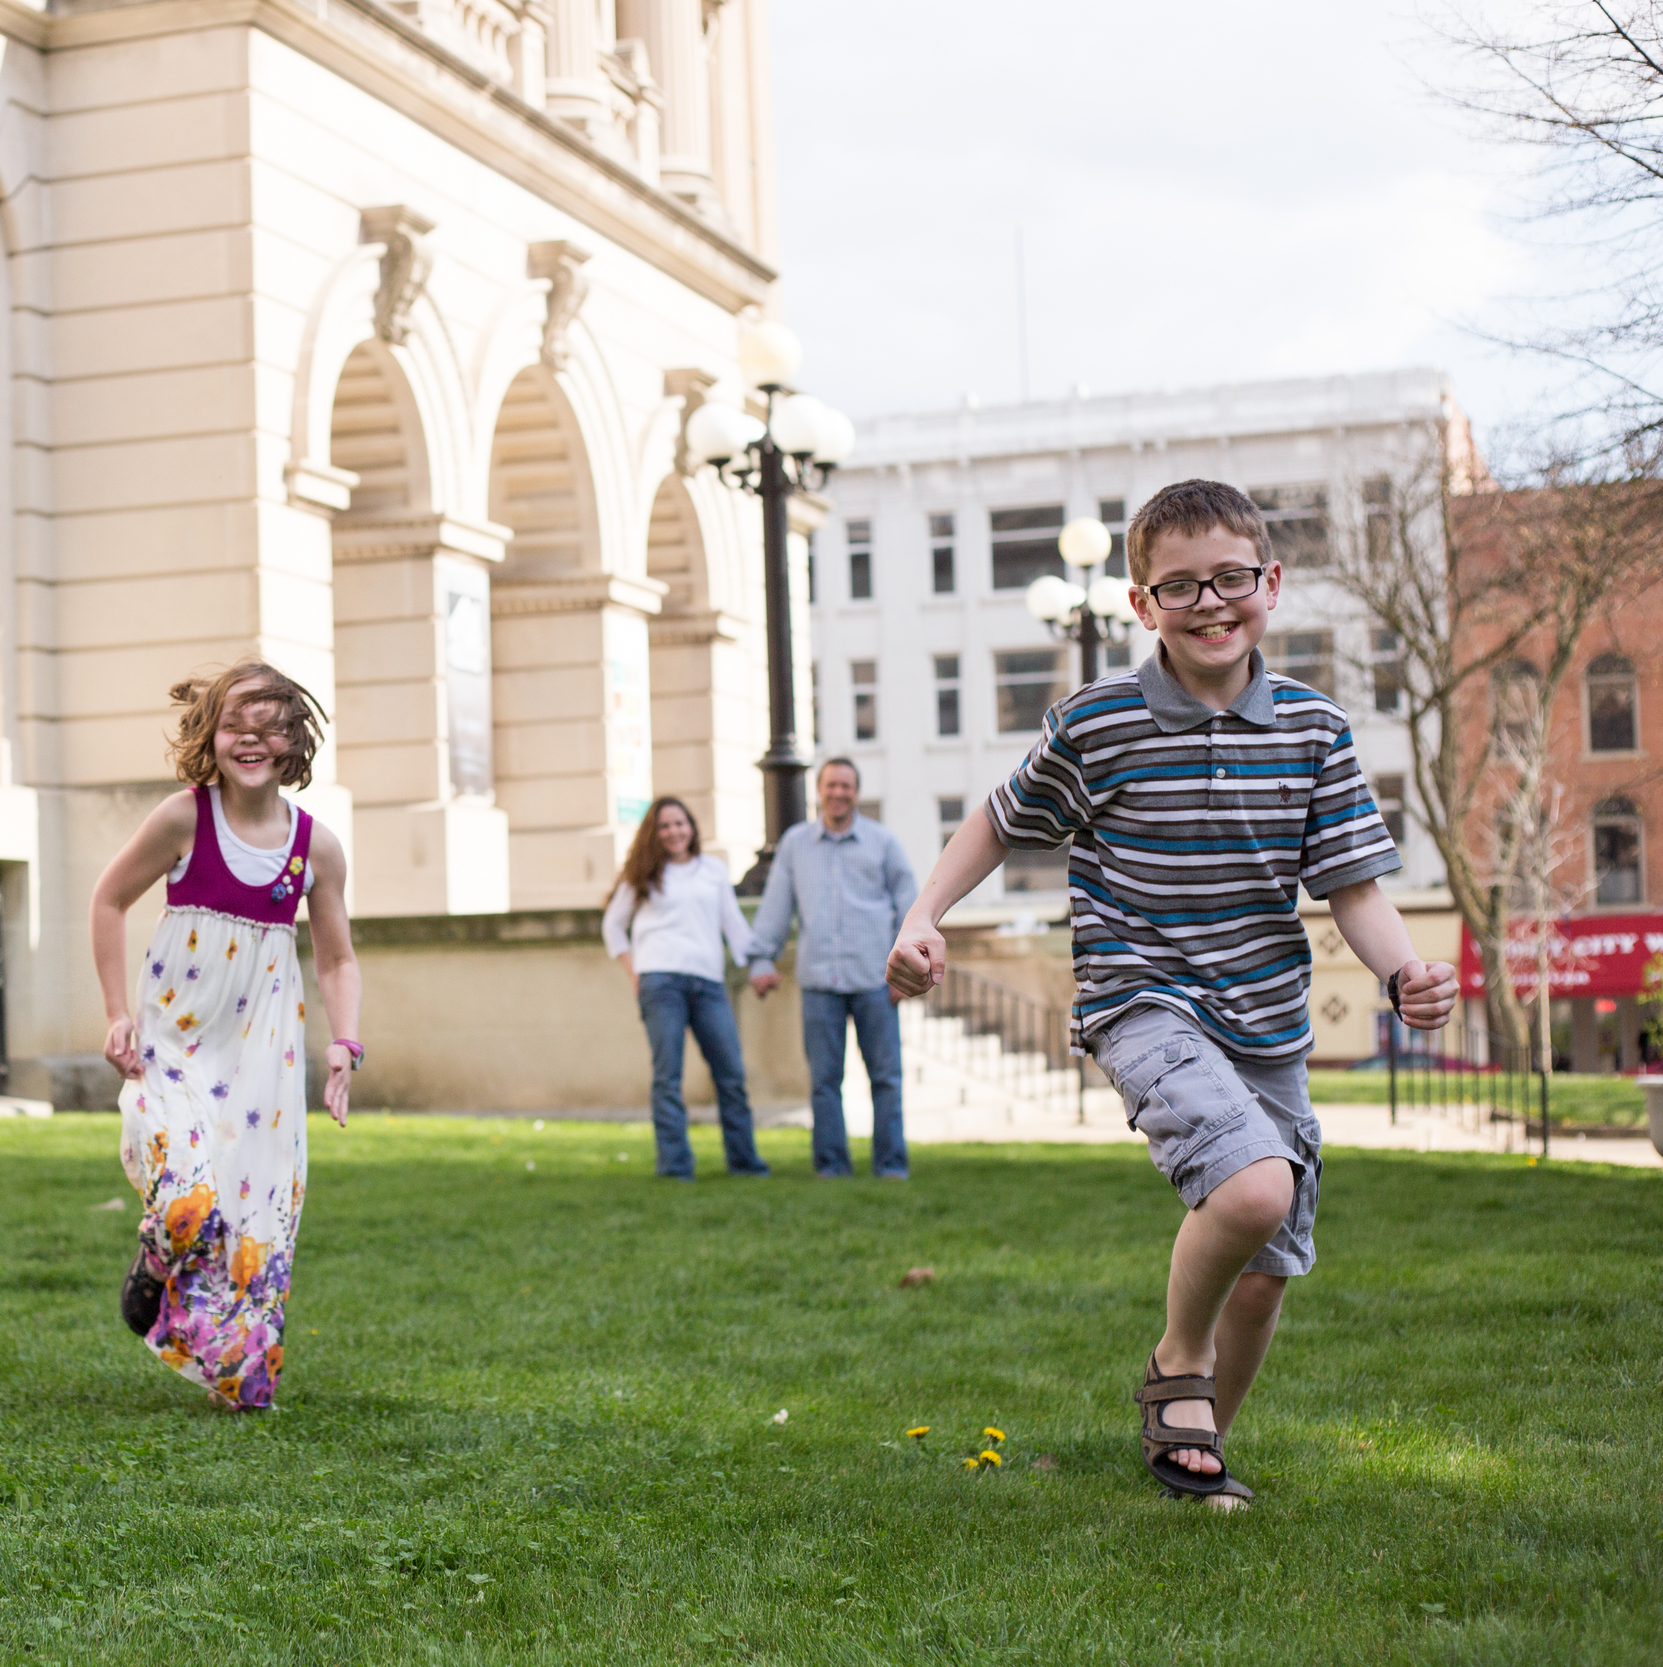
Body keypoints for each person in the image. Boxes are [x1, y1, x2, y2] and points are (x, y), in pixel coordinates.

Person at [886, 479, 1456, 1505]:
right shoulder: (1097, 720)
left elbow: (1351, 886)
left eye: (1228, 577)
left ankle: (1195, 1447)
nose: (1207, 602)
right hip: (1139, 997)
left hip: (1266, 1021)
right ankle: (1174, 1362)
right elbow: (998, 820)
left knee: (1269, 1262)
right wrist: (921, 915)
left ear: (1268, 584)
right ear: (1143, 604)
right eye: (1178, 585)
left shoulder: (1312, 728)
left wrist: (1402, 969)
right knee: (1252, 1187)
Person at [90, 662, 361, 1410]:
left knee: (255, 1207)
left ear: (293, 741)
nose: (251, 738)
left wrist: (345, 1041)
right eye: (236, 722)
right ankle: (156, 1257)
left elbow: (337, 959)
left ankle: (229, 1364)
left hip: (261, 1060)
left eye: (270, 723)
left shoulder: (316, 847)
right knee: (189, 1200)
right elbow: (109, 900)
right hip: (177, 1042)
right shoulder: (185, 817)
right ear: (211, 734)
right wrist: (118, 1012)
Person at [745, 759, 919, 1179]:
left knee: (886, 1078)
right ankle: (831, 1167)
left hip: (876, 980)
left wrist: (908, 972)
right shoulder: (795, 844)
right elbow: (776, 907)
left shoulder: (883, 843)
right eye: (831, 785)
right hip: (819, 981)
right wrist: (761, 958)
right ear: (818, 791)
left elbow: (911, 908)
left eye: (846, 786)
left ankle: (891, 1166)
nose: (838, 793)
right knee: (824, 1081)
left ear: (856, 793)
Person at [602, 797, 769, 1180]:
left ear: (692, 828)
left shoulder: (712, 870)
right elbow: (613, 925)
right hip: (660, 983)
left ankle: (745, 1163)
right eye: (665, 826)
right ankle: (675, 1167)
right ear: (654, 833)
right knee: (668, 1077)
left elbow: (734, 927)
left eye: (680, 824)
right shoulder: (642, 874)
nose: (674, 832)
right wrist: (634, 973)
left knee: (730, 1073)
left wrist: (760, 966)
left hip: (708, 983)